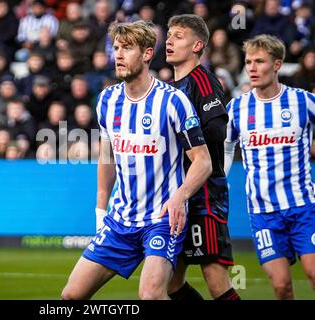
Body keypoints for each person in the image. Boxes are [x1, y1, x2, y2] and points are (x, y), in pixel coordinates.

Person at [61, 20, 212, 300]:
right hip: (120, 221)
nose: (118, 54)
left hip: (161, 219)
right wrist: (100, 211)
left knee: (152, 295)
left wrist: (180, 196)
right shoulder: (107, 100)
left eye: (127, 48)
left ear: (146, 54)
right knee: (70, 297)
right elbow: (107, 158)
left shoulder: (173, 101)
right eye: (116, 48)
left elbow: (203, 161)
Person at [224, 34, 315, 299]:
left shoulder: (302, 101)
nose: (251, 68)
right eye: (248, 61)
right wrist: (220, 178)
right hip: (264, 214)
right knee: (281, 286)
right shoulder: (237, 108)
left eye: (259, 61)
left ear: (277, 64)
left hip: (303, 208)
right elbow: (227, 146)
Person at [165, 14, 240, 301]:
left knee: (214, 275)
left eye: (179, 36)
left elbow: (216, 131)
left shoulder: (203, 82)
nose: (169, 41)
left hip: (205, 194)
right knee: (171, 283)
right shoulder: (173, 89)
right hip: (179, 194)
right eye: (169, 35)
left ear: (197, 46)